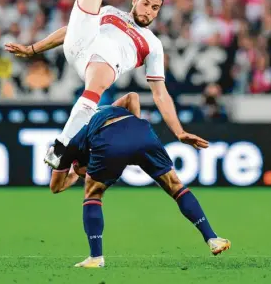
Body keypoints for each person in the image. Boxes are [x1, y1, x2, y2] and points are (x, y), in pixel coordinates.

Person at [5, 0, 207, 169]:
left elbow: (161, 94)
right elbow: (71, 29)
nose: (149, 10)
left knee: (100, 72)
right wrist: (32, 49)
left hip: (98, 67)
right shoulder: (111, 12)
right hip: (80, 44)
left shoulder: (152, 44)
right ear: (135, 0)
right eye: (145, 3)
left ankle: (59, 147)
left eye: (155, 7)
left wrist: (179, 131)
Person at [48, 92, 231, 268]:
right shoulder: (103, 110)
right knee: (176, 186)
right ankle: (212, 238)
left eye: (81, 172)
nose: (83, 176)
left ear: (78, 163)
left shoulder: (69, 143)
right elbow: (132, 97)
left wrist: (72, 172)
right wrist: (132, 134)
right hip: (141, 131)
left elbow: (56, 187)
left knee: (92, 193)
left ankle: (95, 258)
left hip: (109, 139)